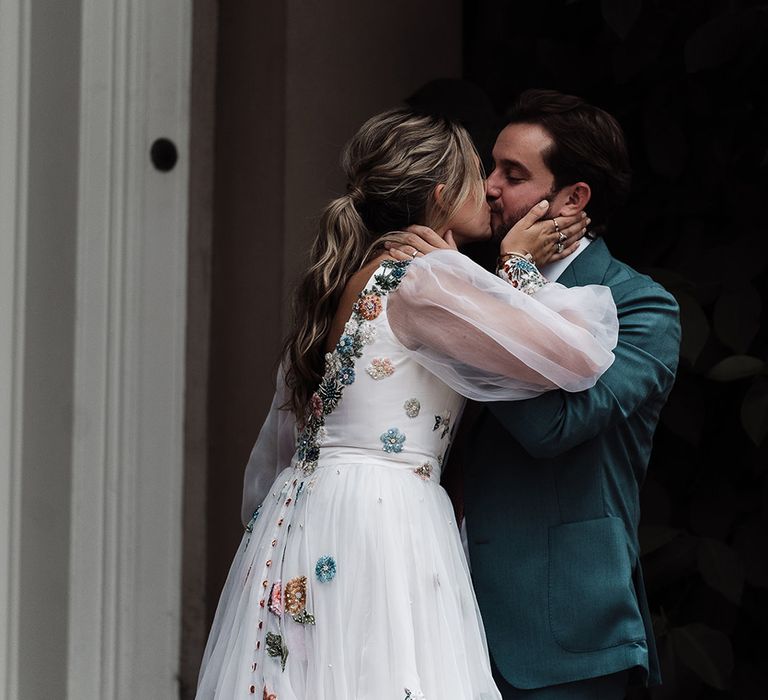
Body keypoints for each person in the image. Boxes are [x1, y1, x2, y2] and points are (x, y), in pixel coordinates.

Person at [195, 108, 620, 700]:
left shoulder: (364, 271)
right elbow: (577, 355)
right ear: (444, 196)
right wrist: (517, 267)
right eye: (479, 175)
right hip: (381, 516)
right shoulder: (423, 281)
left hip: (306, 512)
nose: (492, 190)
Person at [387, 90, 681, 699]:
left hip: (563, 631)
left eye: (513, 174)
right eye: (491, 166)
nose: (488, 186)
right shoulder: (462, 277)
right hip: (441, 613)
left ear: (574, 199)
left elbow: (555, 427)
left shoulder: (643, 309)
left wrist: (487, 301)